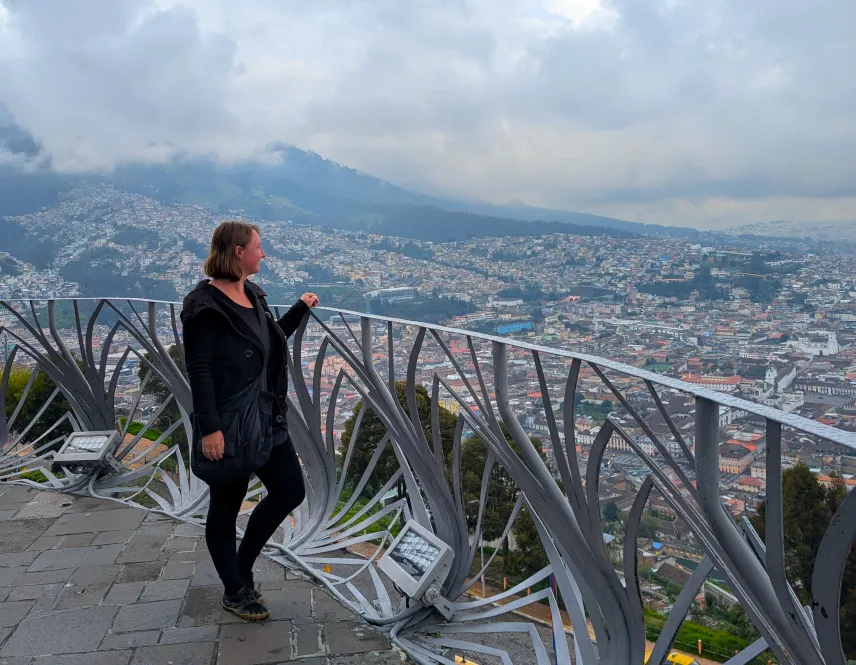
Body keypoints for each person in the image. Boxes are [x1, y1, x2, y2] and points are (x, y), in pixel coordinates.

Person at [181, 220, 319, 621]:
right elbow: (200, 369)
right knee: (226, 505)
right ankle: (235, 589)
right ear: (238, 252)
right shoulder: (204, 306)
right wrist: (210, 429)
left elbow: (268, 339)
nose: (263, 253)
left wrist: (299, 309)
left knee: (290, 490)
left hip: (266, 417)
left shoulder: (251, 294)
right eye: (258, 246)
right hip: (229, 422)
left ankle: (240, 567)